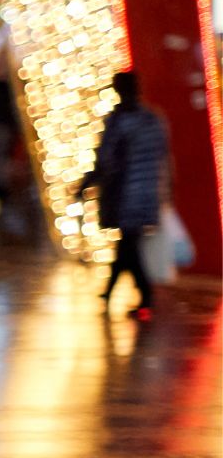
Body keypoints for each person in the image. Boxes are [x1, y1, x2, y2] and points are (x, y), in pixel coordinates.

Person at [79, 69, 172, 321]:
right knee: (127, 244)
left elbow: (105, 160)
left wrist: (84, 185)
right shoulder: (153, 119)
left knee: (129, 246)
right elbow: (163, 155)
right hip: (147, 193)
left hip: (124, 195)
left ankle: (145, 298)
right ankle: (112, 293)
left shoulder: (119, 121)